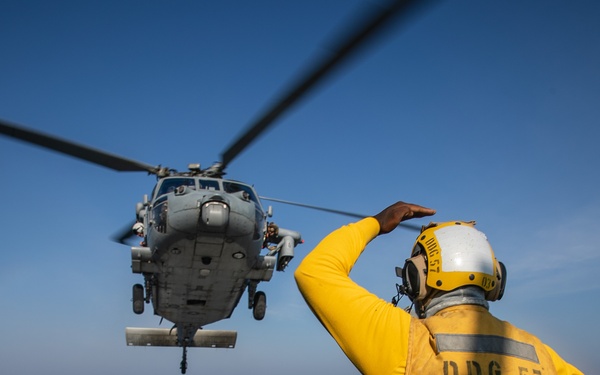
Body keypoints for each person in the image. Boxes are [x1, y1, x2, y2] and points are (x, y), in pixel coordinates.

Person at [294, 201, 583, 375]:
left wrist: (376, 223)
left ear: (416, 277)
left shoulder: (405, 343)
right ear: (496, 278)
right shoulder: (541, 354)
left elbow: (315, 271)